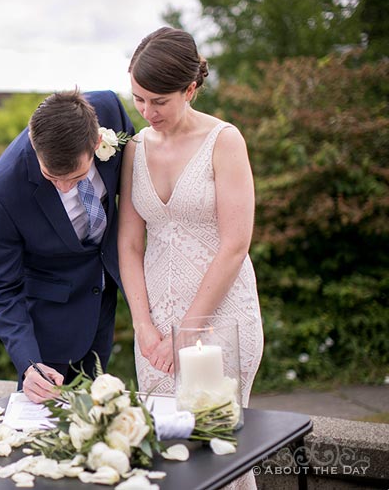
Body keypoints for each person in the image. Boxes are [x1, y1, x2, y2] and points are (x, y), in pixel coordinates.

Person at [118, 27, 263, 489]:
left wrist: (189, 331)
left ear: (191, 89)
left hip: (221, 316)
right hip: (156, 326)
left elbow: (236, 243)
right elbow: (129, 244)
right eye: (139, 99)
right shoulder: (136, 148)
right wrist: (143, 324)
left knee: (219, 453)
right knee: (163, 451)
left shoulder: (225, 140)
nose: (147, 111)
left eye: (159, 100)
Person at [0, 89, 135, 403]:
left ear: (96, 144)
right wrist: (29, 363)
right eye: (52, 177)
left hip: (106, 292)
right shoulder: (2, 192)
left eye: (77, 177)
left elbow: (138, 171)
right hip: (50, 323)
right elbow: (1, 288)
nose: (65, 188)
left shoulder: (110, 111)